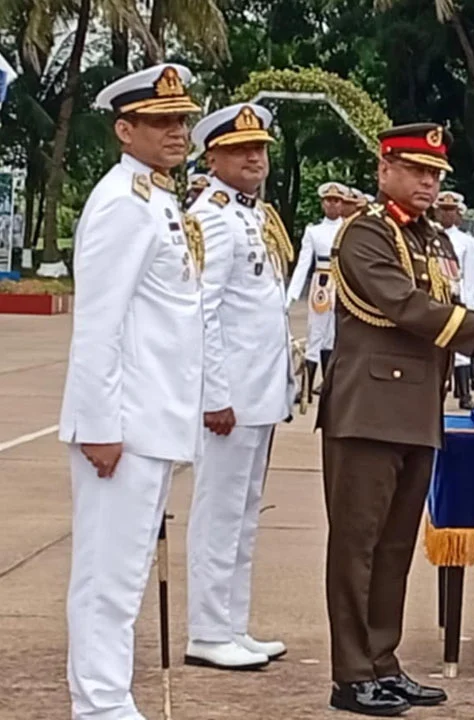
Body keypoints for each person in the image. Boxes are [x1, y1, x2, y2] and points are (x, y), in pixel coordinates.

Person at [317, 122, 474, 716]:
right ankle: (351, 674)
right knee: (357, 546)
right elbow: (402, 305)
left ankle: (382, 662)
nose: (427, 183)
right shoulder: (363, 234)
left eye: (435, 174)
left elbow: (442, 305)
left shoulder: (432, 238)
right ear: (384, 168)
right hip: (368, 410)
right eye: (417, 170)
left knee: (395, 546)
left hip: (418, 408)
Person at [59, 63, 204, 720]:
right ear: (125, 129)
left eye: (181, 119)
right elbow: (99, 321)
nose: (177, 131)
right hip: (124, 422)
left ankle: (110, 700)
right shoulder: (121, 203)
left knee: (125, 578)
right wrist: (99, 425)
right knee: (107, 580)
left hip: (154, 416)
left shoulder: (157, 198)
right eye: (160, 121)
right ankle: (99, 707)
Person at [184, 102, 294, 670]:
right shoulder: (213, 217)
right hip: (230, 398)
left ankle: (232, 624)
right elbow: (203, 312)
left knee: (245, 511)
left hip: (259, 392)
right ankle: (205, 629)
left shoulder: (254, 215)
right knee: (218, 511)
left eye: (261, 149)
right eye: (241, 150)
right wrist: (214, 394)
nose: (255, 158)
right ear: (213, 157)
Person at [287, 181, 348, 398]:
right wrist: (291, 295)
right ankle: (306, 387)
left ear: (342, 204)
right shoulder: (314, 231)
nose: (332, 205)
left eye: (337, 201)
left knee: (333, 336)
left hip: (341, 284)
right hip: (321, 282)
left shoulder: (348, 228)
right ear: (323, 204)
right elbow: (304, 263)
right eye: (329, 201)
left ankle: (329, 385)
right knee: (315, 334)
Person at [435, 191, 474, 409]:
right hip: (435, 294)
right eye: (443, 210)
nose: (447, 214)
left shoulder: (466, 241)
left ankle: (464, 395)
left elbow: (471, 277)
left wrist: (471, 305)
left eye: (451, 210)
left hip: (457, 293)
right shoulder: (429, 235)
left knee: (461, 347)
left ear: (458, 214)